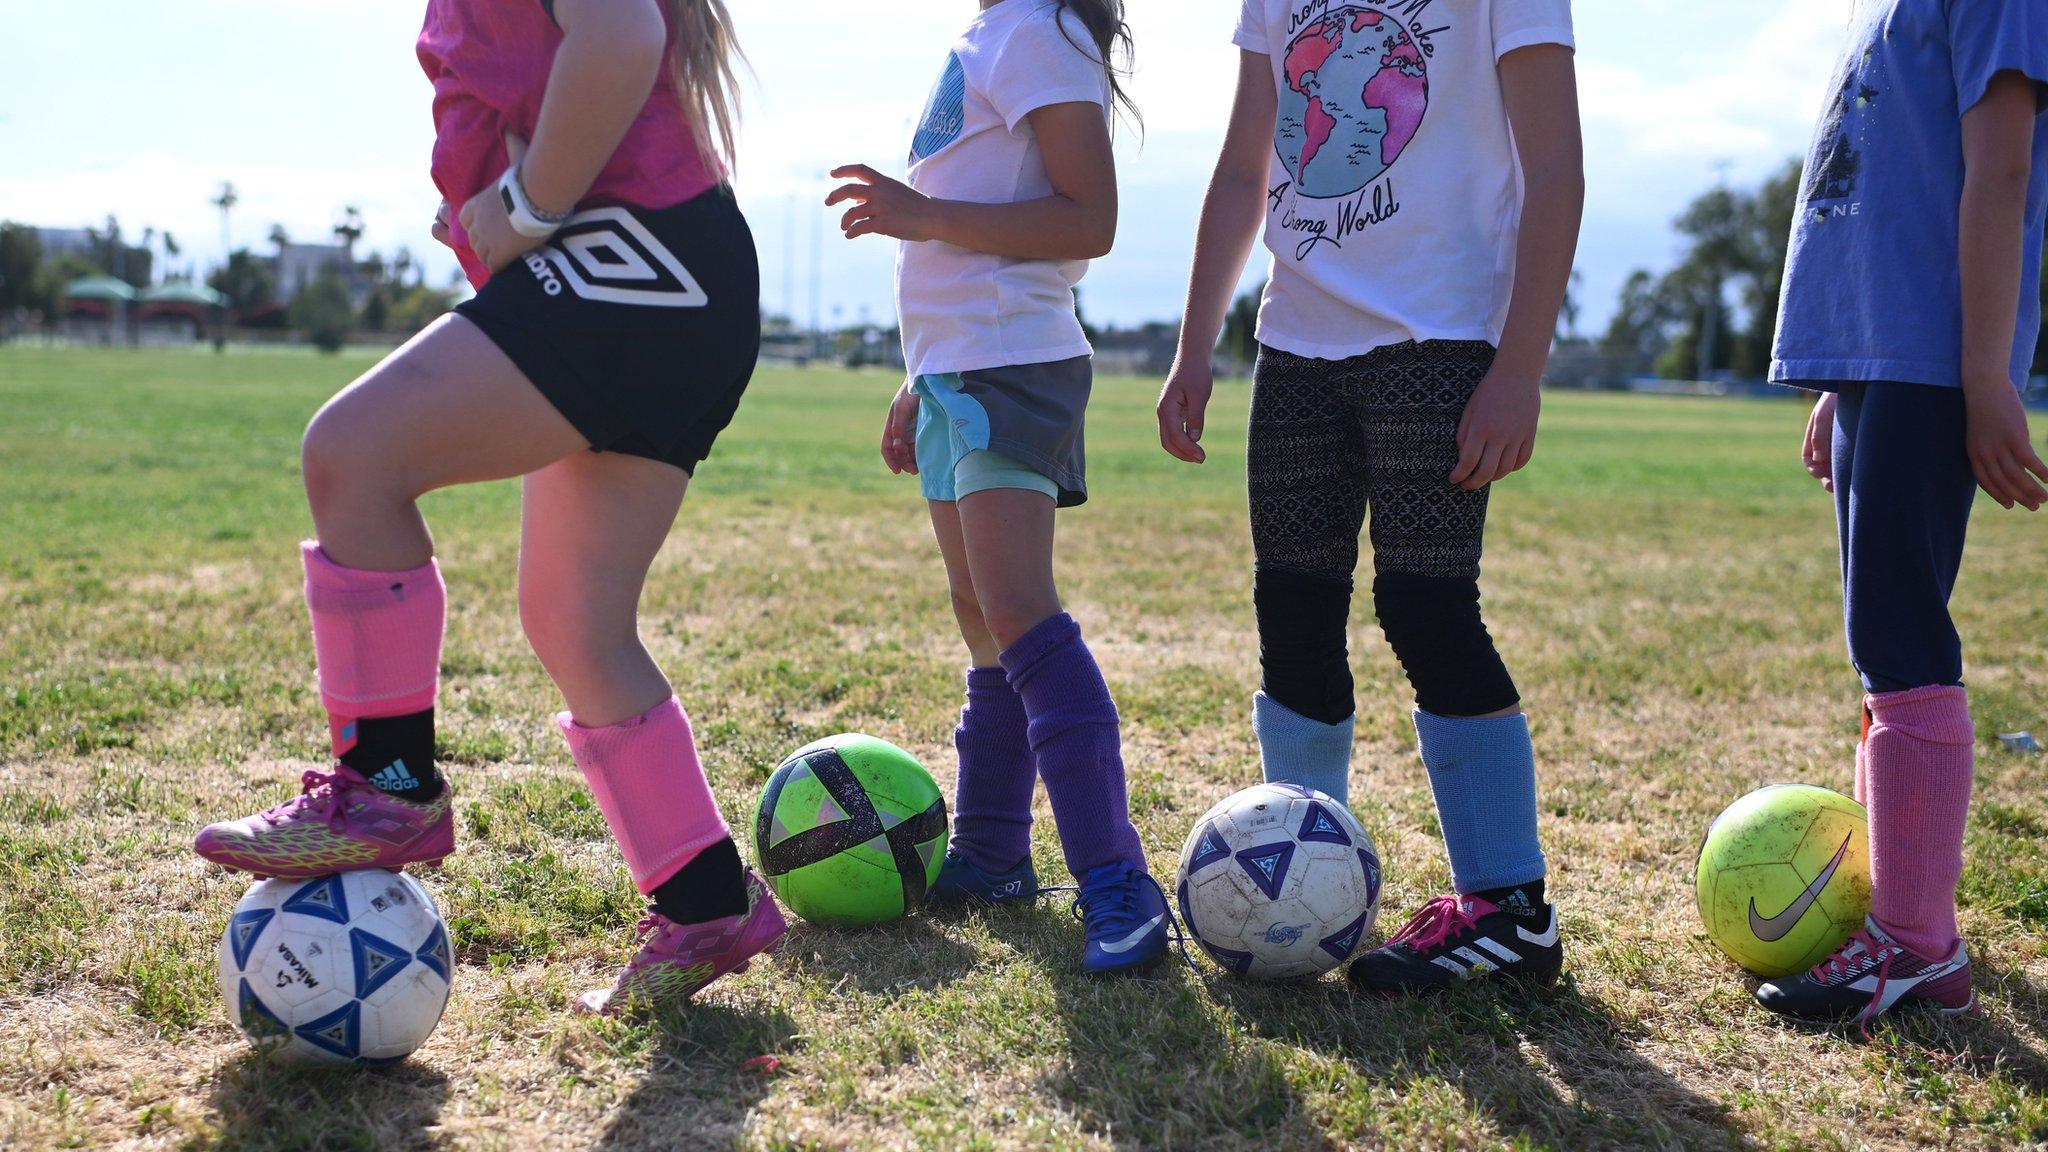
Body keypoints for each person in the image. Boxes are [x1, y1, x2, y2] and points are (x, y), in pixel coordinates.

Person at [193, 0, 782, 1015]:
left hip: (635, 267)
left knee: (353, 456)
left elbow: (623, 34)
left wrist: (521, 206)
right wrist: (492, 198)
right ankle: (706, 903)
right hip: (657, 270)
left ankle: (388, 784)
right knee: (574, 622)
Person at [1157, 0, 1583, 995]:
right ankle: (1292, 897)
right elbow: (1240, 169)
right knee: (1292, 609)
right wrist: (1193, 345)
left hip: (1439, 340)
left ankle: (1510, 910)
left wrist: (1517, 367)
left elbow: (1554, 171)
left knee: (1425, 607)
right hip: (1296, 342)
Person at [825, 0, 1170, 973]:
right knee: (979, 612)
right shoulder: (990, 35)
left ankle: (1115, 879)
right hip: (958, 368)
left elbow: (1086, 219)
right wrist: (919, 376)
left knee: (1019, 609)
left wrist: (917, 212)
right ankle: (991, 852)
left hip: (1011, 364)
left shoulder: (1038, 27)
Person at [1754, 0, 2047, 1028]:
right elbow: (1889, 185)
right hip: (1889, 363)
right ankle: (1900, 913)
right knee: (1875, 636)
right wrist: (1843, 375)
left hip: (1933, 364)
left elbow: (1999, 171)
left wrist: (1979, 373)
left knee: (1899, 629)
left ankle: (1918, 948)